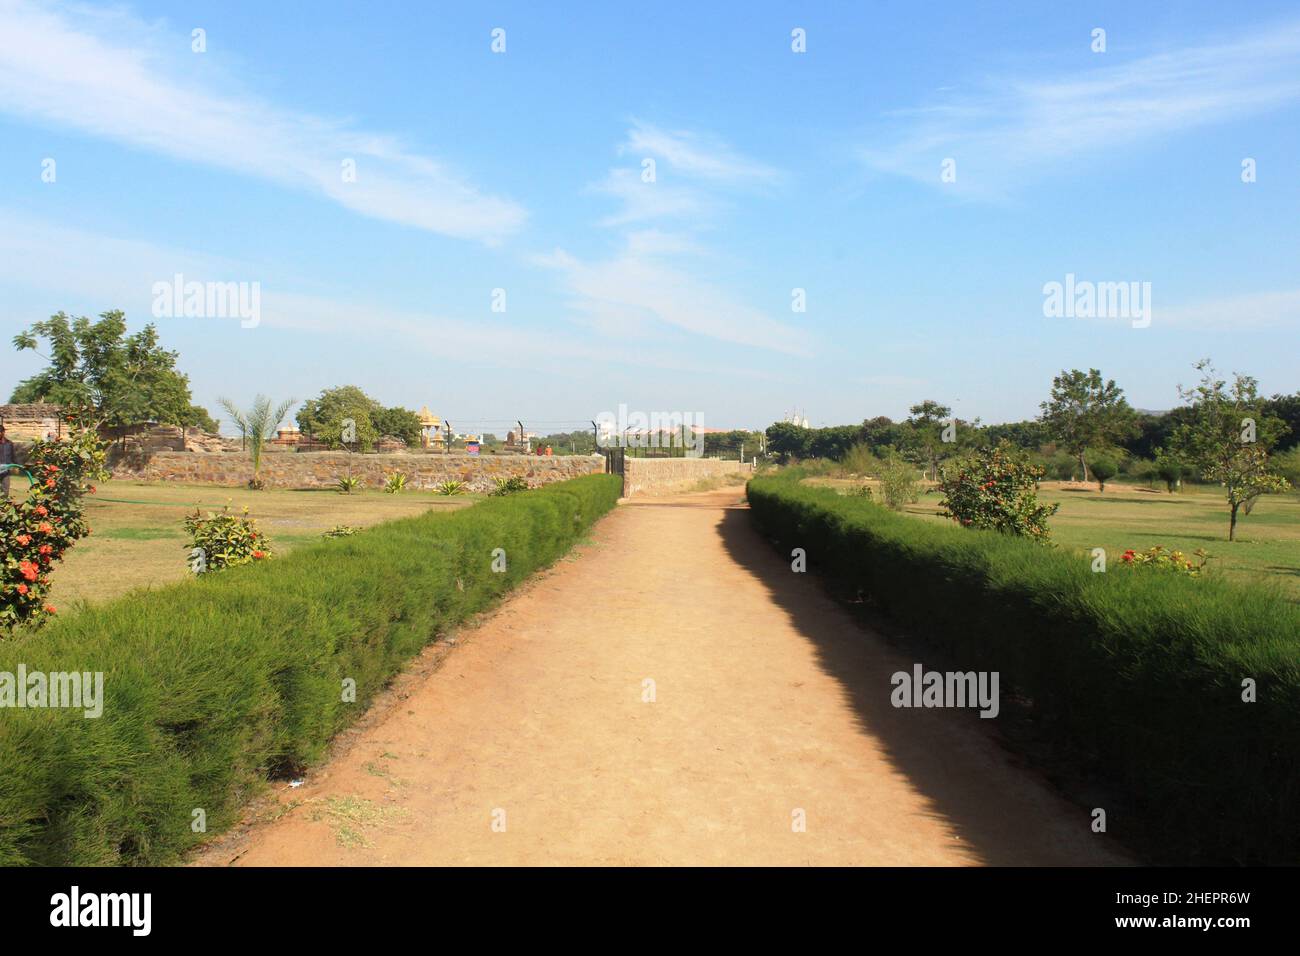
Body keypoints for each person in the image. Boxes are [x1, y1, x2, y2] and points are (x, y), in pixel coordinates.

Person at [0, 425, 15, 499]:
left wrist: (16, 465)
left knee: (5, 490)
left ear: (3, 432)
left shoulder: (9, 443)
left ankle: (3, 506)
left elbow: (13, 455)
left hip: (5, 470)